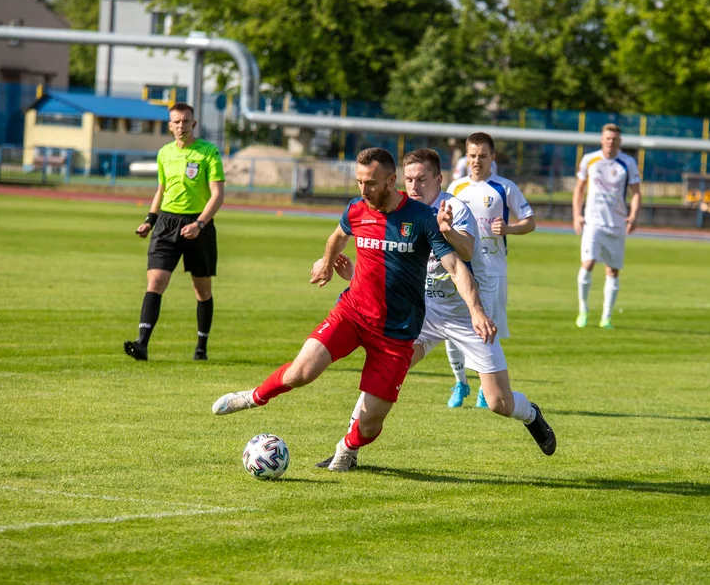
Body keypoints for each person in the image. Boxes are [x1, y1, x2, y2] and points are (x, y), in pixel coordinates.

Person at [210, 148, 498, 472]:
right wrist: (327, 263)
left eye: (371, 183)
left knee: (371, 423)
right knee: (302, 372)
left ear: (391, 181)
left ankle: (347, 448)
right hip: (353, 313)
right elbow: (338, 236)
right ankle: (252, 397)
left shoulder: (421, 218)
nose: (364, 190)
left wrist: (476, 311)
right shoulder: (357, 209)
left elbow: (457, 268)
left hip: (397, 333)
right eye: (359, 182)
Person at [317, 149, 556, 468]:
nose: (414, 186)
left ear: (439, 179)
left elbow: (467, 251)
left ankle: (531, 414)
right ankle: (347, 451)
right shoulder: (397, 207)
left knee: (499, 402)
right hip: (421, 312)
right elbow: (384, 260)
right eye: (409, 179)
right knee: (384, 374)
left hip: (466, 312)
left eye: (422, 179)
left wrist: (447, 231)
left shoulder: (454, 207)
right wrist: (347, 272)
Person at [125, 102, 225, 361]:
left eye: (186, 121)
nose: (181, 126)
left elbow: (217, 195)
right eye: (176, 122)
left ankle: (201, 347)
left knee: (201, 290)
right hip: (166, 224)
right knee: (155, 282)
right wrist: (150, 220)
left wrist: (200, 224)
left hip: (198, 225)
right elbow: (161, 190)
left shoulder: (208, 152)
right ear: (170, 126)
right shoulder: (164, 153)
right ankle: (142, 343)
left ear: (194, 124)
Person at [445, 132, 536, 408]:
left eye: (482, 156)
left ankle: (487, 388)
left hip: (493, 270)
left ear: (492, 158)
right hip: (460, 268)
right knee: (452, 328)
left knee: (486, 330)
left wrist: (509, 228)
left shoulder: (504, 187)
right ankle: (461, 383)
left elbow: (530, 221)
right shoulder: (456, 187)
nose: (476, 161)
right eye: (472, 156)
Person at [571, 124, 641, 330]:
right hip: (593, 221)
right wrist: (577, 215)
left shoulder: (627, 163)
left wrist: (634, 214)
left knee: (612, 270)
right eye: (608, 138)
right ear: (602, 140)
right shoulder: (589, 159)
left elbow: (636, 192)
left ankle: (606, 317)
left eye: (615, 139)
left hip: (617, 223)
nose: (611, 142)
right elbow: (579, 189)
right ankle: (583, 310)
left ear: (620, 142)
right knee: (588, 263)